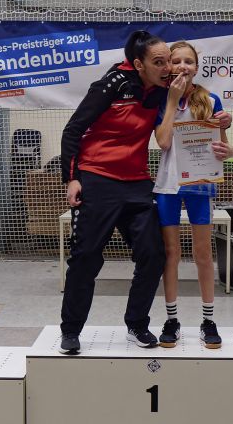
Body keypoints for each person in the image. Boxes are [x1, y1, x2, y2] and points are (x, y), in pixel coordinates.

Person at [57, 31, 170, 355]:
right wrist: (72, 179)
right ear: (139, 64)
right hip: (97, 178)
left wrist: (223, 120)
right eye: (158, 62)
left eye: (168, 61)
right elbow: (73, 130)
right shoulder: (111, 85)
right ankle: (71, 331)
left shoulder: (163, 90)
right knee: (86, 257)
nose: (167, 68)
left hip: (137, 182)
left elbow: (197, 107)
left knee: (153, 254)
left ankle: (137, 324)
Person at [153, 41, 233, 349]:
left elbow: (224, 150)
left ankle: (208, 320)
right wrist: (173, 100)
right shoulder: (161, 99)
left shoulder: (211, 100)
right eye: (177, 61)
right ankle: (172, 319)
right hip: (168, 185)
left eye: (189, 61)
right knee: (171, 253)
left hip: (201, 184)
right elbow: (163, 142)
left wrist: (227, 144)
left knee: (202, 253)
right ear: (169, 66)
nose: (183, 66)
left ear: (197, 67)